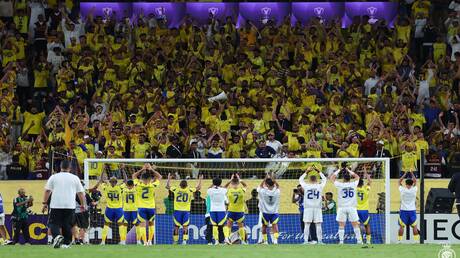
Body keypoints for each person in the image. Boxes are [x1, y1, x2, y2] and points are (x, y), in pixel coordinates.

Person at [42, 160, 85, 248]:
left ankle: (57, 236)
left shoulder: (54, 177)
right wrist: (82, 204)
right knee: (67, 225)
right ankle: (66, 243)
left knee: (53, 224)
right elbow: (80, 193)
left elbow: (47, 191)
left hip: (56, 205)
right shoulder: (75, 178)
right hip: (70, 205)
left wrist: (45, 203)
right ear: (70, 168)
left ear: (60, 167)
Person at [166, 173, 202, 245]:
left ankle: (175, 241)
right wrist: (200, 179)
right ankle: (184, 241)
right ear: (187, 185)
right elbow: (198, 188)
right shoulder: (189, 190)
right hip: (186, 211)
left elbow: (167, 186)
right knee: (185, 226)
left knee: (176, 226)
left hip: (177, 211)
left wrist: (169, 178)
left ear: (180, 185)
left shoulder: (176, 189)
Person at [330, 165, 362, 244]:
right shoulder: (353, 184)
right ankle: (359, 241)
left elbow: (332, 178)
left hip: (342, 207)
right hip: (351, 207)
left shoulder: (340, 184)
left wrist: (339, 170)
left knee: (341, 225)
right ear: (350, 178)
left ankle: (341, 242)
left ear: (343, 179)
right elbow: (357, 177)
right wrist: (349, 170)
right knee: (355, 225)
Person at [91, 170, 125, 245]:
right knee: (121, 224)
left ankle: (103, 241)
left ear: (110, 182)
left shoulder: (106, 187)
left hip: (109, 208)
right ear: (116, 182)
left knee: (106, 224)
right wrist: (123, 170)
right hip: (118, 209)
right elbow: (125, 180)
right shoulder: (119, 188)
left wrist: (103, 170)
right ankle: (123, 241)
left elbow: (101, 180)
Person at [132, 163, 162, 246]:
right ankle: (150, 241)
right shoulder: (152, 185)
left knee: (142, 224)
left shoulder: (138, 185)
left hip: (141, 207)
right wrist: (151, 169)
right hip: (151, 208)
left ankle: (144, 242)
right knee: (151, 223)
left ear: (141, 179)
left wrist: (142, 169)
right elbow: (160, 177)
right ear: (149, 179)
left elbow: (134, 176)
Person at [299, 167, 327, 244]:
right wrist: (319, 171)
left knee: (307, 224)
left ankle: (305, 241)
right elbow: (324, 179)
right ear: (316, 180)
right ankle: (320, 241)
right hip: (317, 207)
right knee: (318, 225)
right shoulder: (319, 186)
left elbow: (300, 179)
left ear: (309, 180)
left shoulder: (306, 186)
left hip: (308, 208)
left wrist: (306, 171)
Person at [257, 173, 281, 245]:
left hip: (265, 212)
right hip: (274, 212)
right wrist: (274, 180)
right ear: (274, 184)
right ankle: (275, 241)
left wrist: (265, 178)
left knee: (264, 226)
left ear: (266, 184)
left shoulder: (263, 191)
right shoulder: (277, 191)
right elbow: (278, 186)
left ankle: (265, 241)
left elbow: (260, 187)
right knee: (275, 226)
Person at [224, 174, 247, 244]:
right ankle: (243, 241)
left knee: (228, 225)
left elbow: (224, 187)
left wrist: (230, 180)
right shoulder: (241, 190)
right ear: (238, 183)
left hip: (231, 210)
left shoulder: (229, 191)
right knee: (241, 226)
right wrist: (240, 179)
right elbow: (245, 186)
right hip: (240, 211)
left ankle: (227, 238)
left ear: (232, 183)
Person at [398, 171, 420, 243]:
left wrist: (405, 174)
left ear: (405, 184)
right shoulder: (414, 190)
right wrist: (411, 173)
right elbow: (415, 181)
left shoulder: (402, 190)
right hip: (412, 210)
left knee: (401, 226)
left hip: (403, 210)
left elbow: (399, 181)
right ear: (412, 184)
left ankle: (399, 240)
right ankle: (416, 241)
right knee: (414, 226)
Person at [207, 177, 228, 245]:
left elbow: (208, 188)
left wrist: (213, 185)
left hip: (213, 210)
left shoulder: (210, 190)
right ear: (220, 183)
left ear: (213, 183)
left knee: (214, 226)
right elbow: (225, 187)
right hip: (221, 210)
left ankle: (216, 241)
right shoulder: (223, 190)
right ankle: (226, 239)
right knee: (224, 225)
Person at [357, 169, 372, 244]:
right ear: (363, 184)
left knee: (357, 226)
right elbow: (369, 182)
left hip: (356, 210)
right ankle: (368, 241)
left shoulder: (354, 189)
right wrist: (366, 173)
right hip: (364, 210)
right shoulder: (366, 189)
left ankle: (360, 241)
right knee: (367, 225)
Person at [122, 178, 138, 245]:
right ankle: (139, 241)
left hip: (126, 209)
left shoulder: (123, 189)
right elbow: (136, 179)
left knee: (125, 225)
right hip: (134, 209)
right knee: (137, 225)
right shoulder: (136, 189)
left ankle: (123, 241)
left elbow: (124, 182)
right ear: (133, 185)